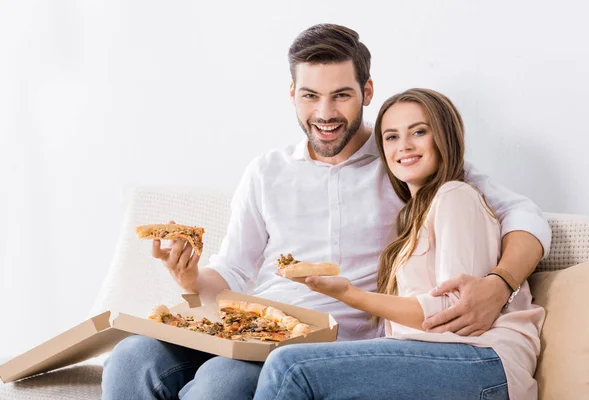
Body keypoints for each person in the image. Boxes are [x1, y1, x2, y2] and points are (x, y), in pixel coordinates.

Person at [101, 24, 550, 399]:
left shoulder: (405, 159)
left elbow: (523, 215)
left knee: (219, 384)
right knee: (132, 357)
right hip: (261, 332)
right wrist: (190, 278)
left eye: (341, 95)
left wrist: (500, 281)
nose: (325, 113)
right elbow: (233, 273)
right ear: (292, 93)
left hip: (340, 347)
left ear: (367, 91)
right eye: (311, 96)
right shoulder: (267, 171)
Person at [252, 88, 545, 400]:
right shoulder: (414, 216)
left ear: (443, 137)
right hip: (437, 360)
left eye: (418, 132)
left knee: (291, 367)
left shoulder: (455, 197)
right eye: (391, 137)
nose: (403, 146)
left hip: (483, 361)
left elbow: (449, 314)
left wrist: (349, 294)